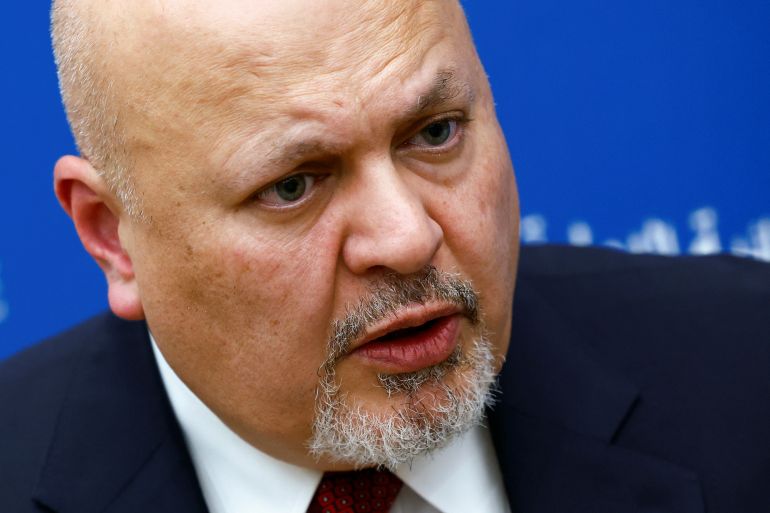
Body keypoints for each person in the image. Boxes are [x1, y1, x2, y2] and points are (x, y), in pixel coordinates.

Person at [1, 1, 768, 512]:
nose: (406, 238)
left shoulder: (745, 366)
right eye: (293, 183)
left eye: (435, 133)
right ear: (113, 236)